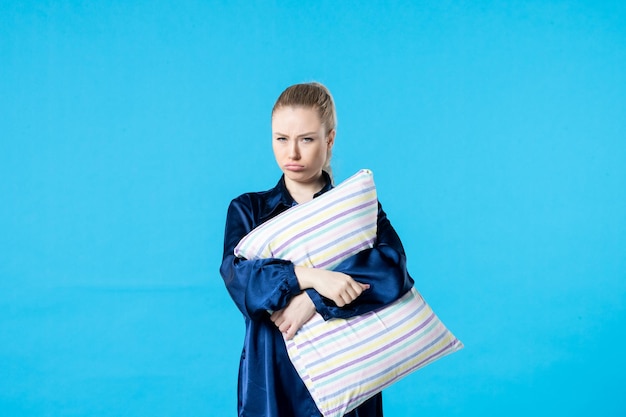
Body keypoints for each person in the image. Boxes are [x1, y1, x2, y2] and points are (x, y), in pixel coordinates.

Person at [220, 82, 414, 417]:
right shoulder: (248, 210)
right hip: (272, 378)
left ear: (330, 139)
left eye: (306, 139)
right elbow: (241, 280)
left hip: (348, 376)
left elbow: (392, 270)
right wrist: (311, 278)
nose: (291, 153)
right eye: (281, 138)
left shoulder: (359, 208)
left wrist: (312, 301)